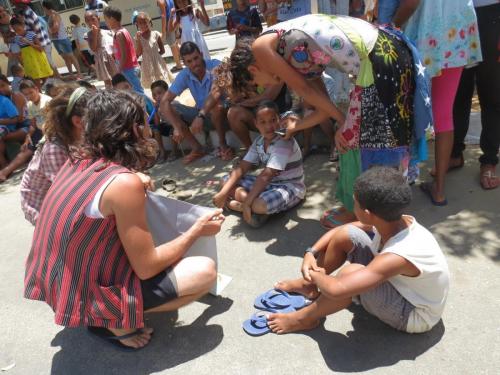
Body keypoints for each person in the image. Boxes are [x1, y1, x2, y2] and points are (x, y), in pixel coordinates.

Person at [24, 89, 225, 350]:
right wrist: (196, 230)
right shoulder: (122, 183)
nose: (149, 130)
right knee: (205, 272)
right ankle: (111, 319)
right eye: (143, 123)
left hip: (58, 283)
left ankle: (105, 312)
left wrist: (131, 178)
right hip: (82, 293)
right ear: (132, 128)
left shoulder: (75, 159)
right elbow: (147, 267)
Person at [215, 14, 430, 229]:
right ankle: (368, 209)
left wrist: (343, 123)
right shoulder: (291, 50)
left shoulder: (262, 47)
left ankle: (370, 214)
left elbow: (305, 90)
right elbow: (321, 102)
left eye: (257, 86)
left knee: (362, 142)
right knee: (363, 139)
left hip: (379, 61)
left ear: (252, 71)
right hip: (386, 52)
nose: (265, 88)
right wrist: (301, 125)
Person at [267, 166, 450, 335]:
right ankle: (309, 287)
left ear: (368, 213)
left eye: (355, 202)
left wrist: (315, 273)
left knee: (349, 274)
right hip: (400, 283)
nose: (351, 206)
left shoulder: (398, 255)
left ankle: (303, 319)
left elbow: (338, 289)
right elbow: (342, 230)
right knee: (346, 234)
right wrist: (311, 252)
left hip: (413, 313)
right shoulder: (392, 219)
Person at [394, 0, 482, 206]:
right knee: (444, 115)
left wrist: (390, 25)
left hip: (424, 35)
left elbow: (411, 2)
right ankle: (439, 189)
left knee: (404, 106)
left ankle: (398, 182)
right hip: (456, 34)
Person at [213, 100, 305, 227]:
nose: (269, 126)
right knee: (225, 180)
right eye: (263, 122)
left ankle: (244, 206)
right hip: (268, 184)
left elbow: (267, 175)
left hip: (289, 187)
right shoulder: (259, 142)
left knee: (259, 205)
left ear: (279, 119)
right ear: (256, 124)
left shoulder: (284, 142)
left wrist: (246, 202)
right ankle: (251, 209)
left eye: (273, 120)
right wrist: (223, 193)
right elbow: (242, 168)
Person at [20, 85, 90, 225]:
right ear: (77, 121)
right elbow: (68, 190)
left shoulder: (77, 134)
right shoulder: (55, 148)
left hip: (66, 189)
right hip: (41, 204)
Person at [451, 0, 500, 190]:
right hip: (457, 16)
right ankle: (454, 153)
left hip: (492, 16)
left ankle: (489, 160)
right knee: (458, 92)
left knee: (492, 95)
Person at [160, 41, 232, 164]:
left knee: (217, 105)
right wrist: (176, 126)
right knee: (166, 109)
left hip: (223, 116)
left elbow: (216, 93)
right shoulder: (185, 74)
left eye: (196, 58)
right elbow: (164, 101)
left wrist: (201, 115)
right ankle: (197, 148)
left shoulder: (216, 66)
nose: (194, 64)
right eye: (189, 61)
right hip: (201, 116)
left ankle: (223, 144)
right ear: (184, 63)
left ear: (202, 54)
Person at [0, 79, 51, 182]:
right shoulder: (30, 104)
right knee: (25, 150)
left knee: (37, 150)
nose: (29, 96)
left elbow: (53, 121)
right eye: (26, 95)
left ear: (36, 89)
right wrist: (27, 139)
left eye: (31, 92)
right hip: (38, 130)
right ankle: (4, 172)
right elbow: (32, 125)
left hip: (51, 130)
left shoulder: (47, 101)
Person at [226, 82, 292, 152]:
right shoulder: (243, 74)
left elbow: (268, 96)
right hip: (258, 116)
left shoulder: (276, 74)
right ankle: (252, 153)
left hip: (280, 117)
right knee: (234, 113)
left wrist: (242, 103)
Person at [12, 0, 58, 78]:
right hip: (42, 40)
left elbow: (34, 30)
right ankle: (57, 78)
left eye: (15, 4)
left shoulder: (27, 14)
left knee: (47, 63)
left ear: (20, 3)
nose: (14, 6)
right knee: (47, 62)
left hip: (40, 42)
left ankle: (57, 79)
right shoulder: (28, 11)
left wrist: (32, 41)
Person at [103, 6, 144, 94]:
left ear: (112, 19)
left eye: (106, 19)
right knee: (134, 91)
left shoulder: (119, 34)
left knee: (137, 92)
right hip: (130, 68)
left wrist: (119, 70)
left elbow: (124, 55)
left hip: (128, 69)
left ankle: (149, 106)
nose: (105, 22)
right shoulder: (123, 31)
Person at [42, 1, 82, 79]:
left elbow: (56, 28)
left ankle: (79, 73)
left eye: (43, 8)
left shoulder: (54, 15)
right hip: (56, 40)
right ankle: (71, 74)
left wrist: (49, 32)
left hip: (62, 39)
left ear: (45, 7)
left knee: (71, 56)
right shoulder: (51, 16)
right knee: (66, 58)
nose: (43, 10)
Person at [10, 17, 53, 88]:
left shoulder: (31, 34)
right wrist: (12, 55)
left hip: (38, 60)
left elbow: (41, 48)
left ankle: (46, 92)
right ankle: (39, 93)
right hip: (29, 62)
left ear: (23, 25)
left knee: (45, 79)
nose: (17, 32)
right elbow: (19, 53)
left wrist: (28, 42)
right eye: (15, 30)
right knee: (34, 80)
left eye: (19, 29)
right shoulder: (16, 39)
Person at [134, 12, 173, 88]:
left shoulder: (155, 34)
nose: (143, 25)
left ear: (149, 22)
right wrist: (138, 40)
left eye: (145, 22)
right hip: (147, 64)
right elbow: (138, 53)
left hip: (158, 63)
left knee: (162, 83)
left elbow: (162, 50)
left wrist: (156, 57)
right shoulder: (138, 38)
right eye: (140, 23)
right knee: (153, 85)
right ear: (137, 25)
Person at [0, 75, 28, 175]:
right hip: (12, 127)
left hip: (26, 127)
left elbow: (19, 119)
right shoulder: (3, 99)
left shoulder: (16, 96)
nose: (1, 89)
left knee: (2, 136)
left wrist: (2, 121)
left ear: (8, 83)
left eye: (3, 85)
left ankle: (5, 165)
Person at [85, 10, 117, 88]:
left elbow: (114, 44)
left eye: (93, 19)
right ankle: (110, 96)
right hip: (101, 60)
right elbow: (93, 48)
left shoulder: (107, 31)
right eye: (88, 20)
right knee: (107, 81)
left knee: (116, 79)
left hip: (112, 59)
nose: (91, 22)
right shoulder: (88, 35)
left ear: (98, 19)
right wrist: (95, 34)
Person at [151, 79, 179, 162]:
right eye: (154, 95)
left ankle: (174, 151)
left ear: (167, 92)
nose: (157, 97)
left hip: (175, 125)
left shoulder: (173, 103)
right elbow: (157, 122)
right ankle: (162, 151)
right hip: (165, 125)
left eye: (160, 93)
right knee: (155, 129)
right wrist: (155, 110)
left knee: (172, 130)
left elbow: (178, 118)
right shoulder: (157, 106)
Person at [157, 0, 183, 73]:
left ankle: (179, 65)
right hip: (175, 21)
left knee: (172, 45)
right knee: (176, 44)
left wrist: (163, 31)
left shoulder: (160, 1)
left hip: (169, 24)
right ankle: (183, 59)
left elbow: (163, 16)